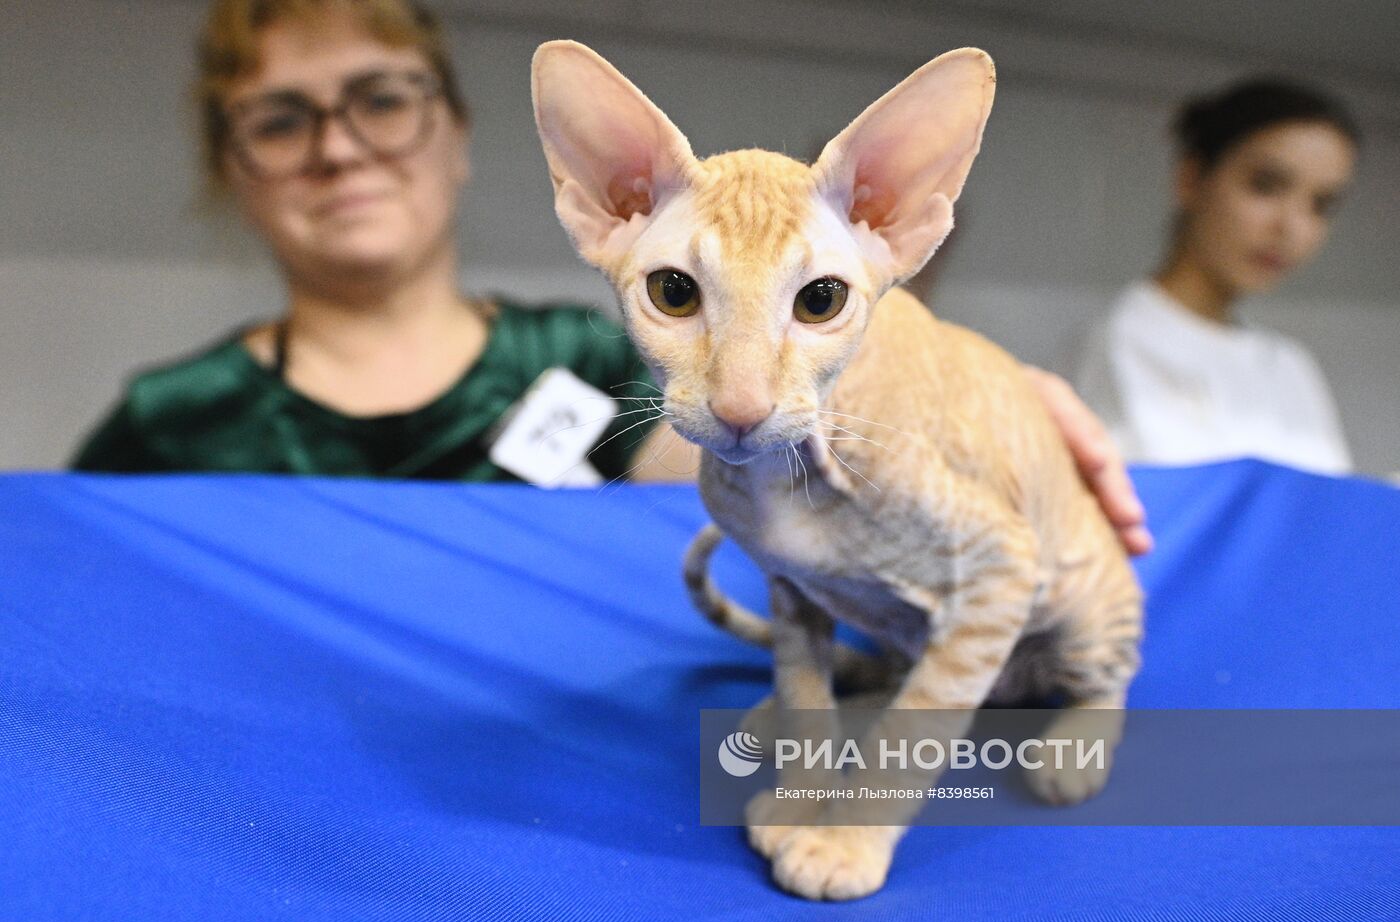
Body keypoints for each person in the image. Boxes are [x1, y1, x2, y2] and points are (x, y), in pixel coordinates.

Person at [70, 0, 1151, 552]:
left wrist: (973, 401)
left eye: (382, 98)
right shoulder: (169, 424)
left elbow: (774, 452)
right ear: (228, 164)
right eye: (278, 117)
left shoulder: (595, 364)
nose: (339, 146)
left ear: (459, 134)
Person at [1073, 78, 1359, 475]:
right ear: (1191, 180)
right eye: (1266, 186)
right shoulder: (1121, 343)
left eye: (1320, 205)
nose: (1291, 227)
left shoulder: (1290, 367)